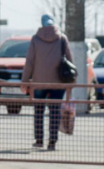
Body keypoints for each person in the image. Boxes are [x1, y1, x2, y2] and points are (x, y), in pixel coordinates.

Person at [21, 14, 73, 151]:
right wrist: (71, 84)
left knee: (39, 111)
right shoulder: (62, 38)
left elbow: (30, 62)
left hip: (39, 82)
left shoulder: (35, 39)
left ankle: (39, 140)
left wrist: (24, 81)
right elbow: (70, 61)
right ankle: (52, 142)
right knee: (54, 111)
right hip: (58, 83)